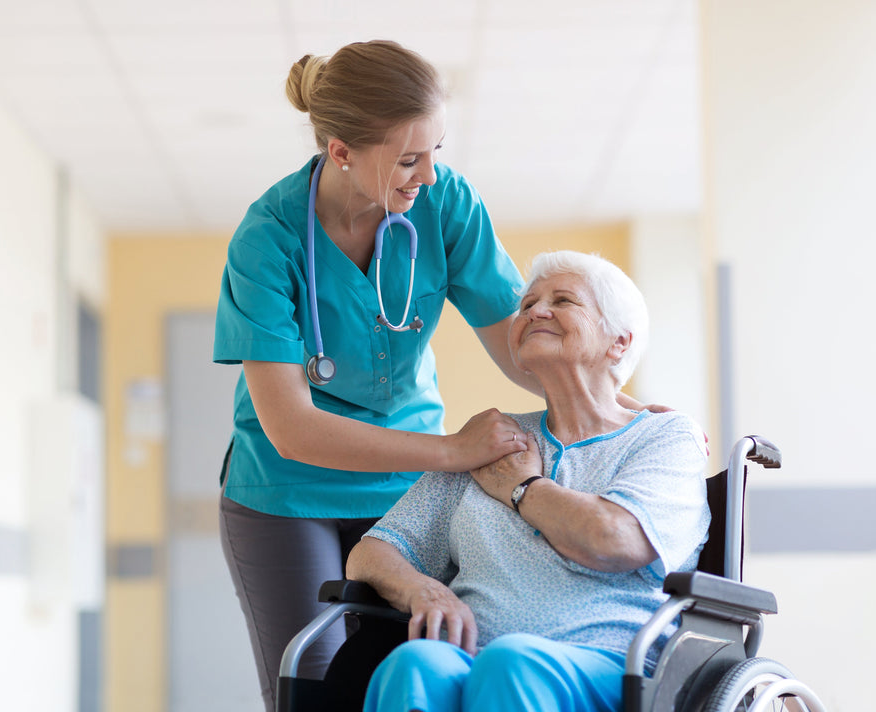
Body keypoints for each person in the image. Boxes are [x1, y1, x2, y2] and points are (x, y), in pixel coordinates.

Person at [213, 41, 650, 711]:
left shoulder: (445, 206)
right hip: (286, 492)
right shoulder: (268, 239)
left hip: (405, 489)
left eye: (436, 153)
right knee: (316, 688)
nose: (428, 177)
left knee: (416, 669)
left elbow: (522, 345)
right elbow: (293, 429)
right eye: (409, 160)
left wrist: (629, 415)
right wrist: (451, 452)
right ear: (341, 152)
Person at [346, 250, 711, 712]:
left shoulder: (663, 436)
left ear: (618, 342)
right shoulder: (491, 440)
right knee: (416, 664)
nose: (535, 310)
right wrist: (423, 589)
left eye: (563, 300)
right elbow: (373, 552)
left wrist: (525, 490)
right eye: (527, 304)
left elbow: (615, 538)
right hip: (474, 659)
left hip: (613, 665)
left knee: (511, 662)